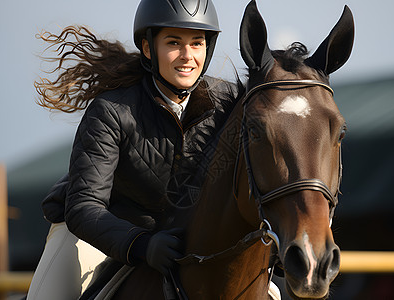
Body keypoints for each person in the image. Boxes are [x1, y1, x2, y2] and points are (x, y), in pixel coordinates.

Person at [27, 0, 238, 299]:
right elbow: (85, 206)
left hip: (192, 240)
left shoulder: (230, 105)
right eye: (174, 42)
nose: (188, 56)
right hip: (99, 233)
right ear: (149, 47)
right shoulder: (111, 111)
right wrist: (141, 244)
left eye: (197, 43)